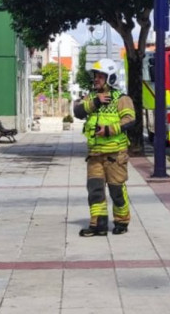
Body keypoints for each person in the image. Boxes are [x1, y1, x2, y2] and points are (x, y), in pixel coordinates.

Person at [73, 58, 136, 237]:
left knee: (116, 191)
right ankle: (98, 224)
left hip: (115, 155)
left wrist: (109, 130)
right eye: (95, 76)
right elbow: (78, 112)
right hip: (94, 155)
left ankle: (122, 221)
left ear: (111, 78)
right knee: (95, 190)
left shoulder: (122, 99)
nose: (96, 79)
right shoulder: (91, 97)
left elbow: (130, 120)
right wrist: (96, 102)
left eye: (100, 76)